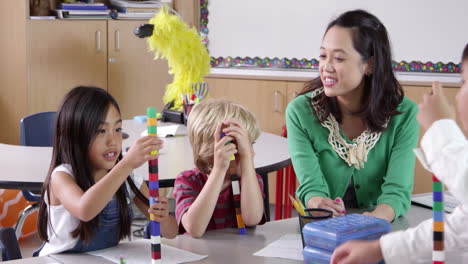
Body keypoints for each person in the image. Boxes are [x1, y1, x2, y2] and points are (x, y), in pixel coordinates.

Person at [330, 44, 468, 264]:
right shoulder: (305, 110)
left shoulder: (403, 113)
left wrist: (440, 127)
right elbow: (458, 230)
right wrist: (380, 249)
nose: (459, 94)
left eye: (464, 82)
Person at [286, 9, 419, 221]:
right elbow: (311, 185)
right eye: (322, 55)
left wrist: (373, 220)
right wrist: (317, 201)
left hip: (381, 226)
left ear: (370, 65)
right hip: (324, 227)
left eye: (338, 58)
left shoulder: (404, 115)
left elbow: (397, 192)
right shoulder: (300, 112)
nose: (326, 67)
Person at [35, 86, 177, 256]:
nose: (113, 141)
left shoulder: (127, 177)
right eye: (101, 131)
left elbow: (171, 232)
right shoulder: (62, 176)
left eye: (117, 129)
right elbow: (85, 210)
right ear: (74, 135)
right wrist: (126, 164)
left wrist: (164, 217)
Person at [173, 98, 265, 237]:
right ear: (210, 150)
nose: (251, 153)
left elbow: (252, 219)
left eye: (249, 144)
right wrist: (219, 169)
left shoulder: (250, 180)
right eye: (239, 147)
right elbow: (194, 229)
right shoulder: (187, 181)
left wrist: (246, 158)